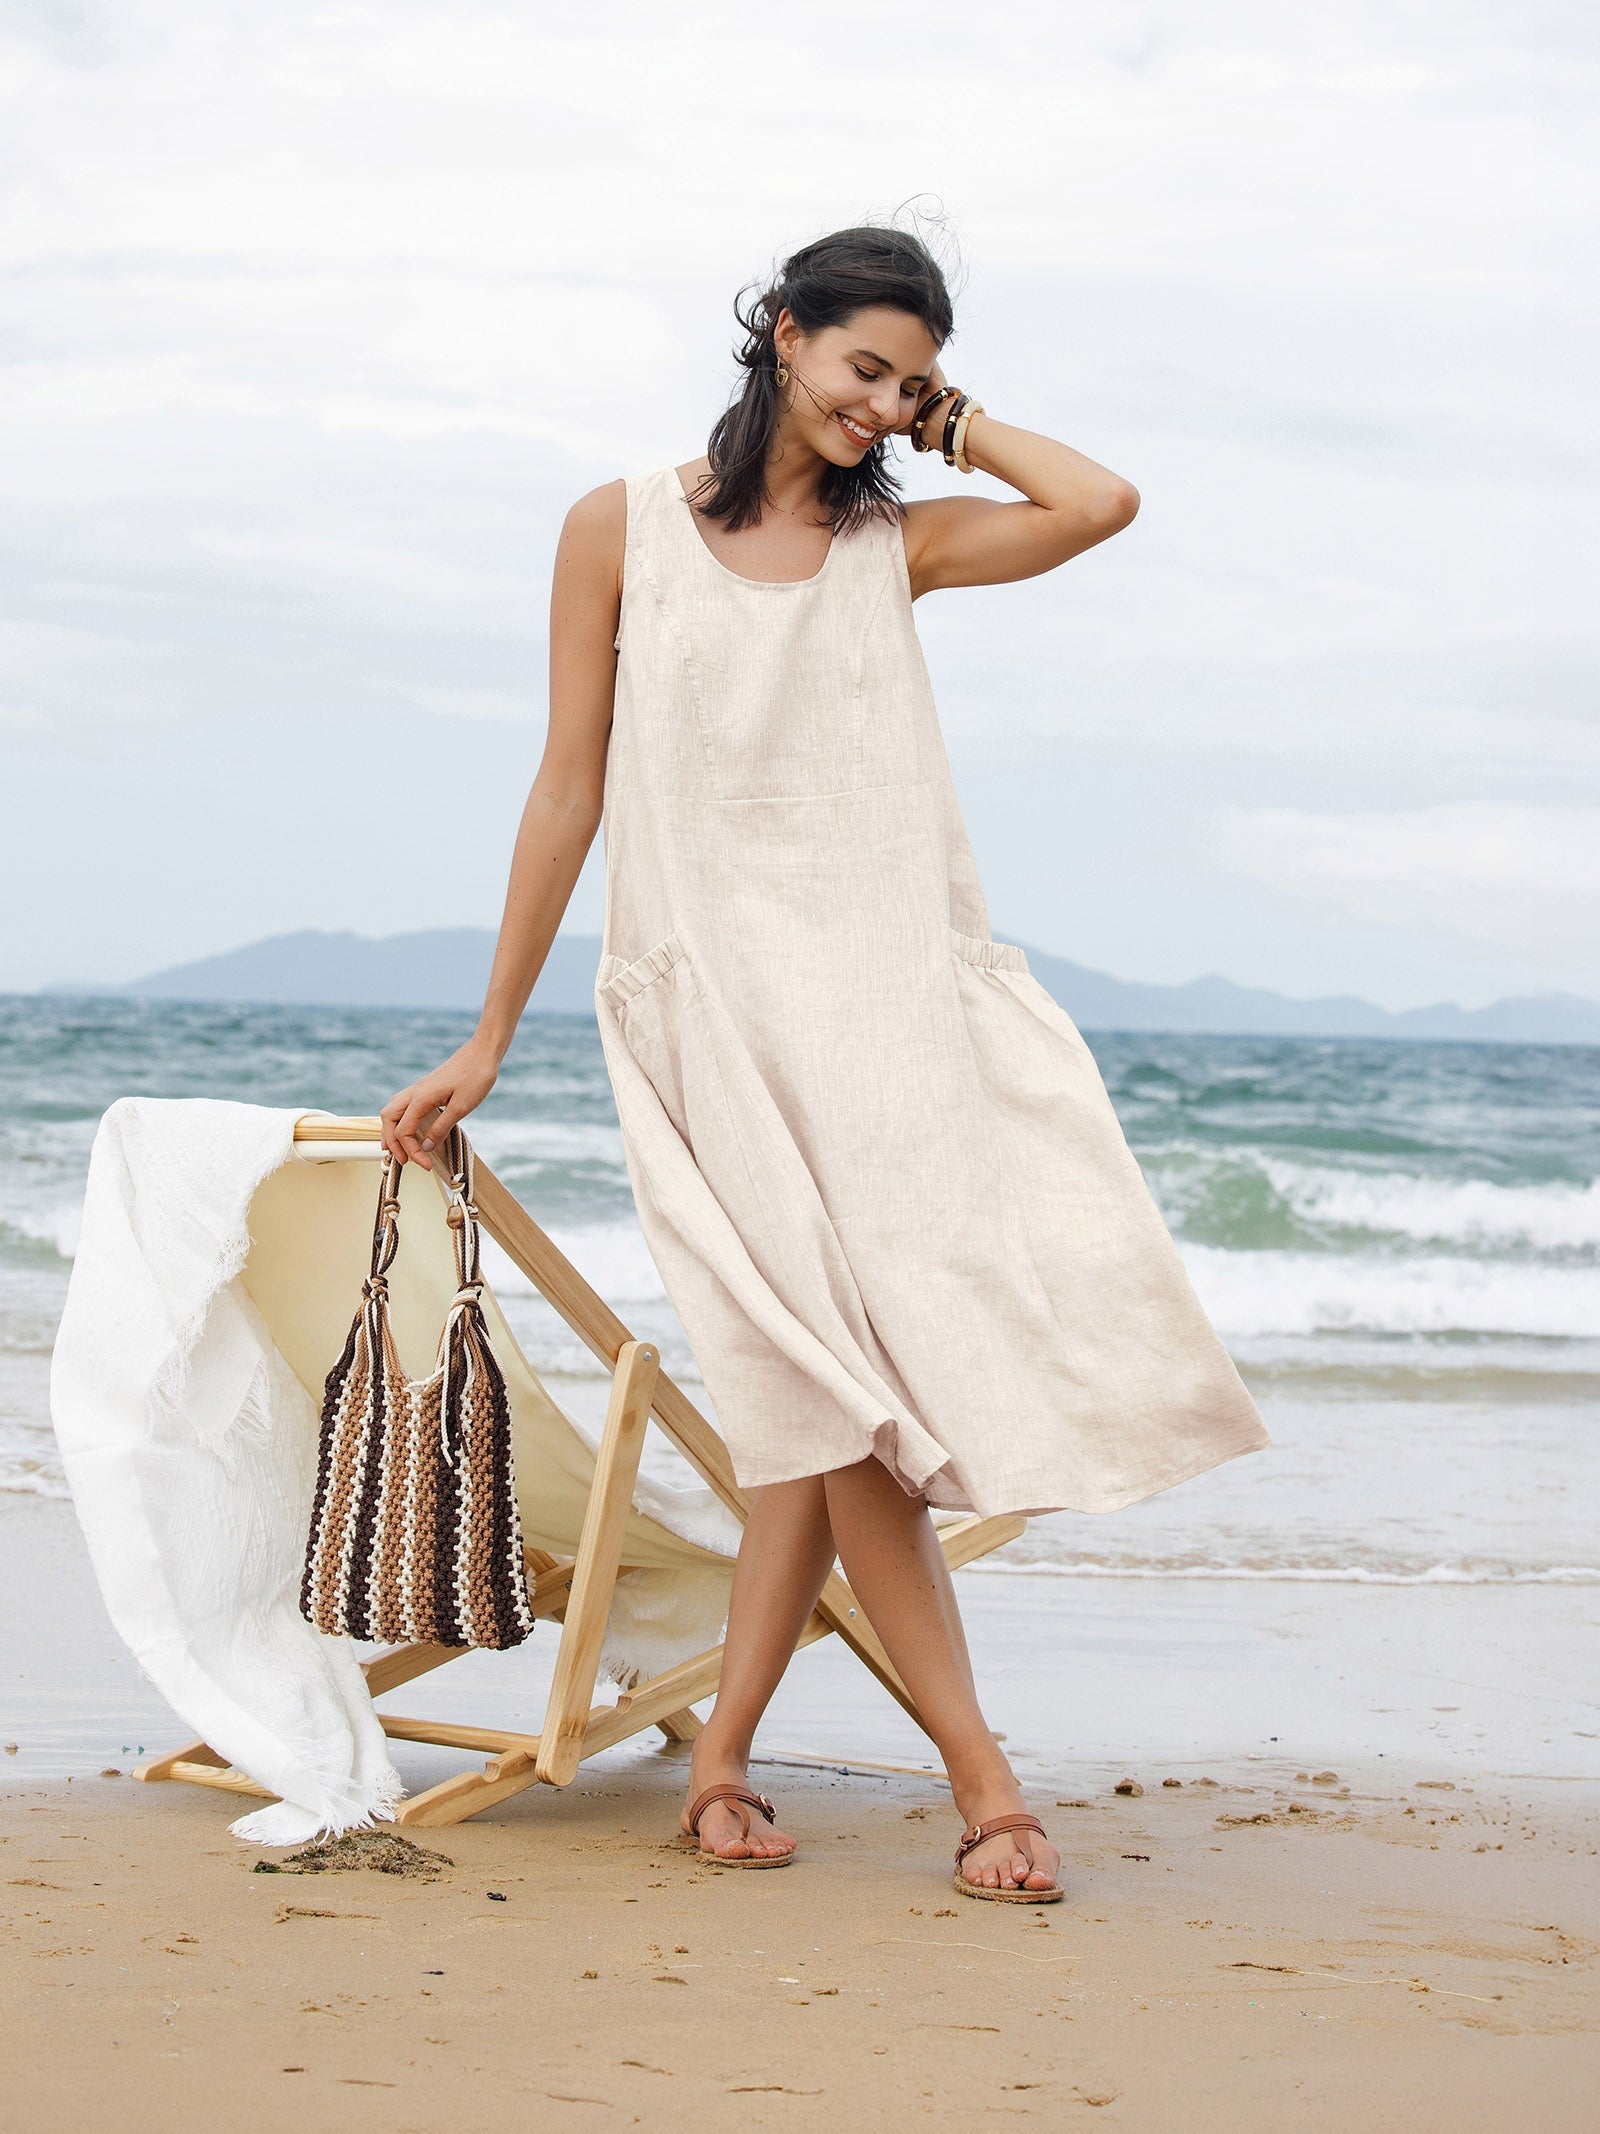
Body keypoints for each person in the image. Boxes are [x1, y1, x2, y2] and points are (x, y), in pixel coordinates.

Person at [381, 224, 1268, 1901]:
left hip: (883, 1025)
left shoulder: (894, 546)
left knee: (821, 1397)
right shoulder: (619, 526)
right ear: (783, 335)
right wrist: (491, 1031)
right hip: (706, 1015)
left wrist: (957, 423)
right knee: (831, 1402)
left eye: (911, 380)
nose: (883, 402)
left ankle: (721, 1758)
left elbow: (1099, 503)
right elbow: (567, 784)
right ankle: (984, 1781)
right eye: (866, 366)